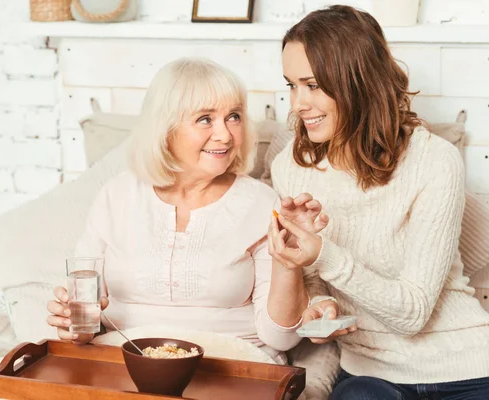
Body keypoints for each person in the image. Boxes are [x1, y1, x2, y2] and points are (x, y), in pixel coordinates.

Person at [268, 5, 489, 399]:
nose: (298, 103)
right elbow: (313, 273)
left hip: (464, 369)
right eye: (291, 85)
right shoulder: (291, 168)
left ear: (358, 82)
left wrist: (325, 253)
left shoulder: (434, 160)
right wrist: (320, 302)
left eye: (313, 85)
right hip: (370, 375)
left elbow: (413, 313)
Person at [46, 57, 324, 364]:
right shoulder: (117, 195)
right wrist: (74, 325)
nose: (225, 134)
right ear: (165, 128)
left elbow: (281, 337)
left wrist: (288, 263)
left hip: (232, 366)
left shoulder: (262, 204)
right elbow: (86, 321)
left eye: (233, 117)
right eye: (205, 119)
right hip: (124, 363)